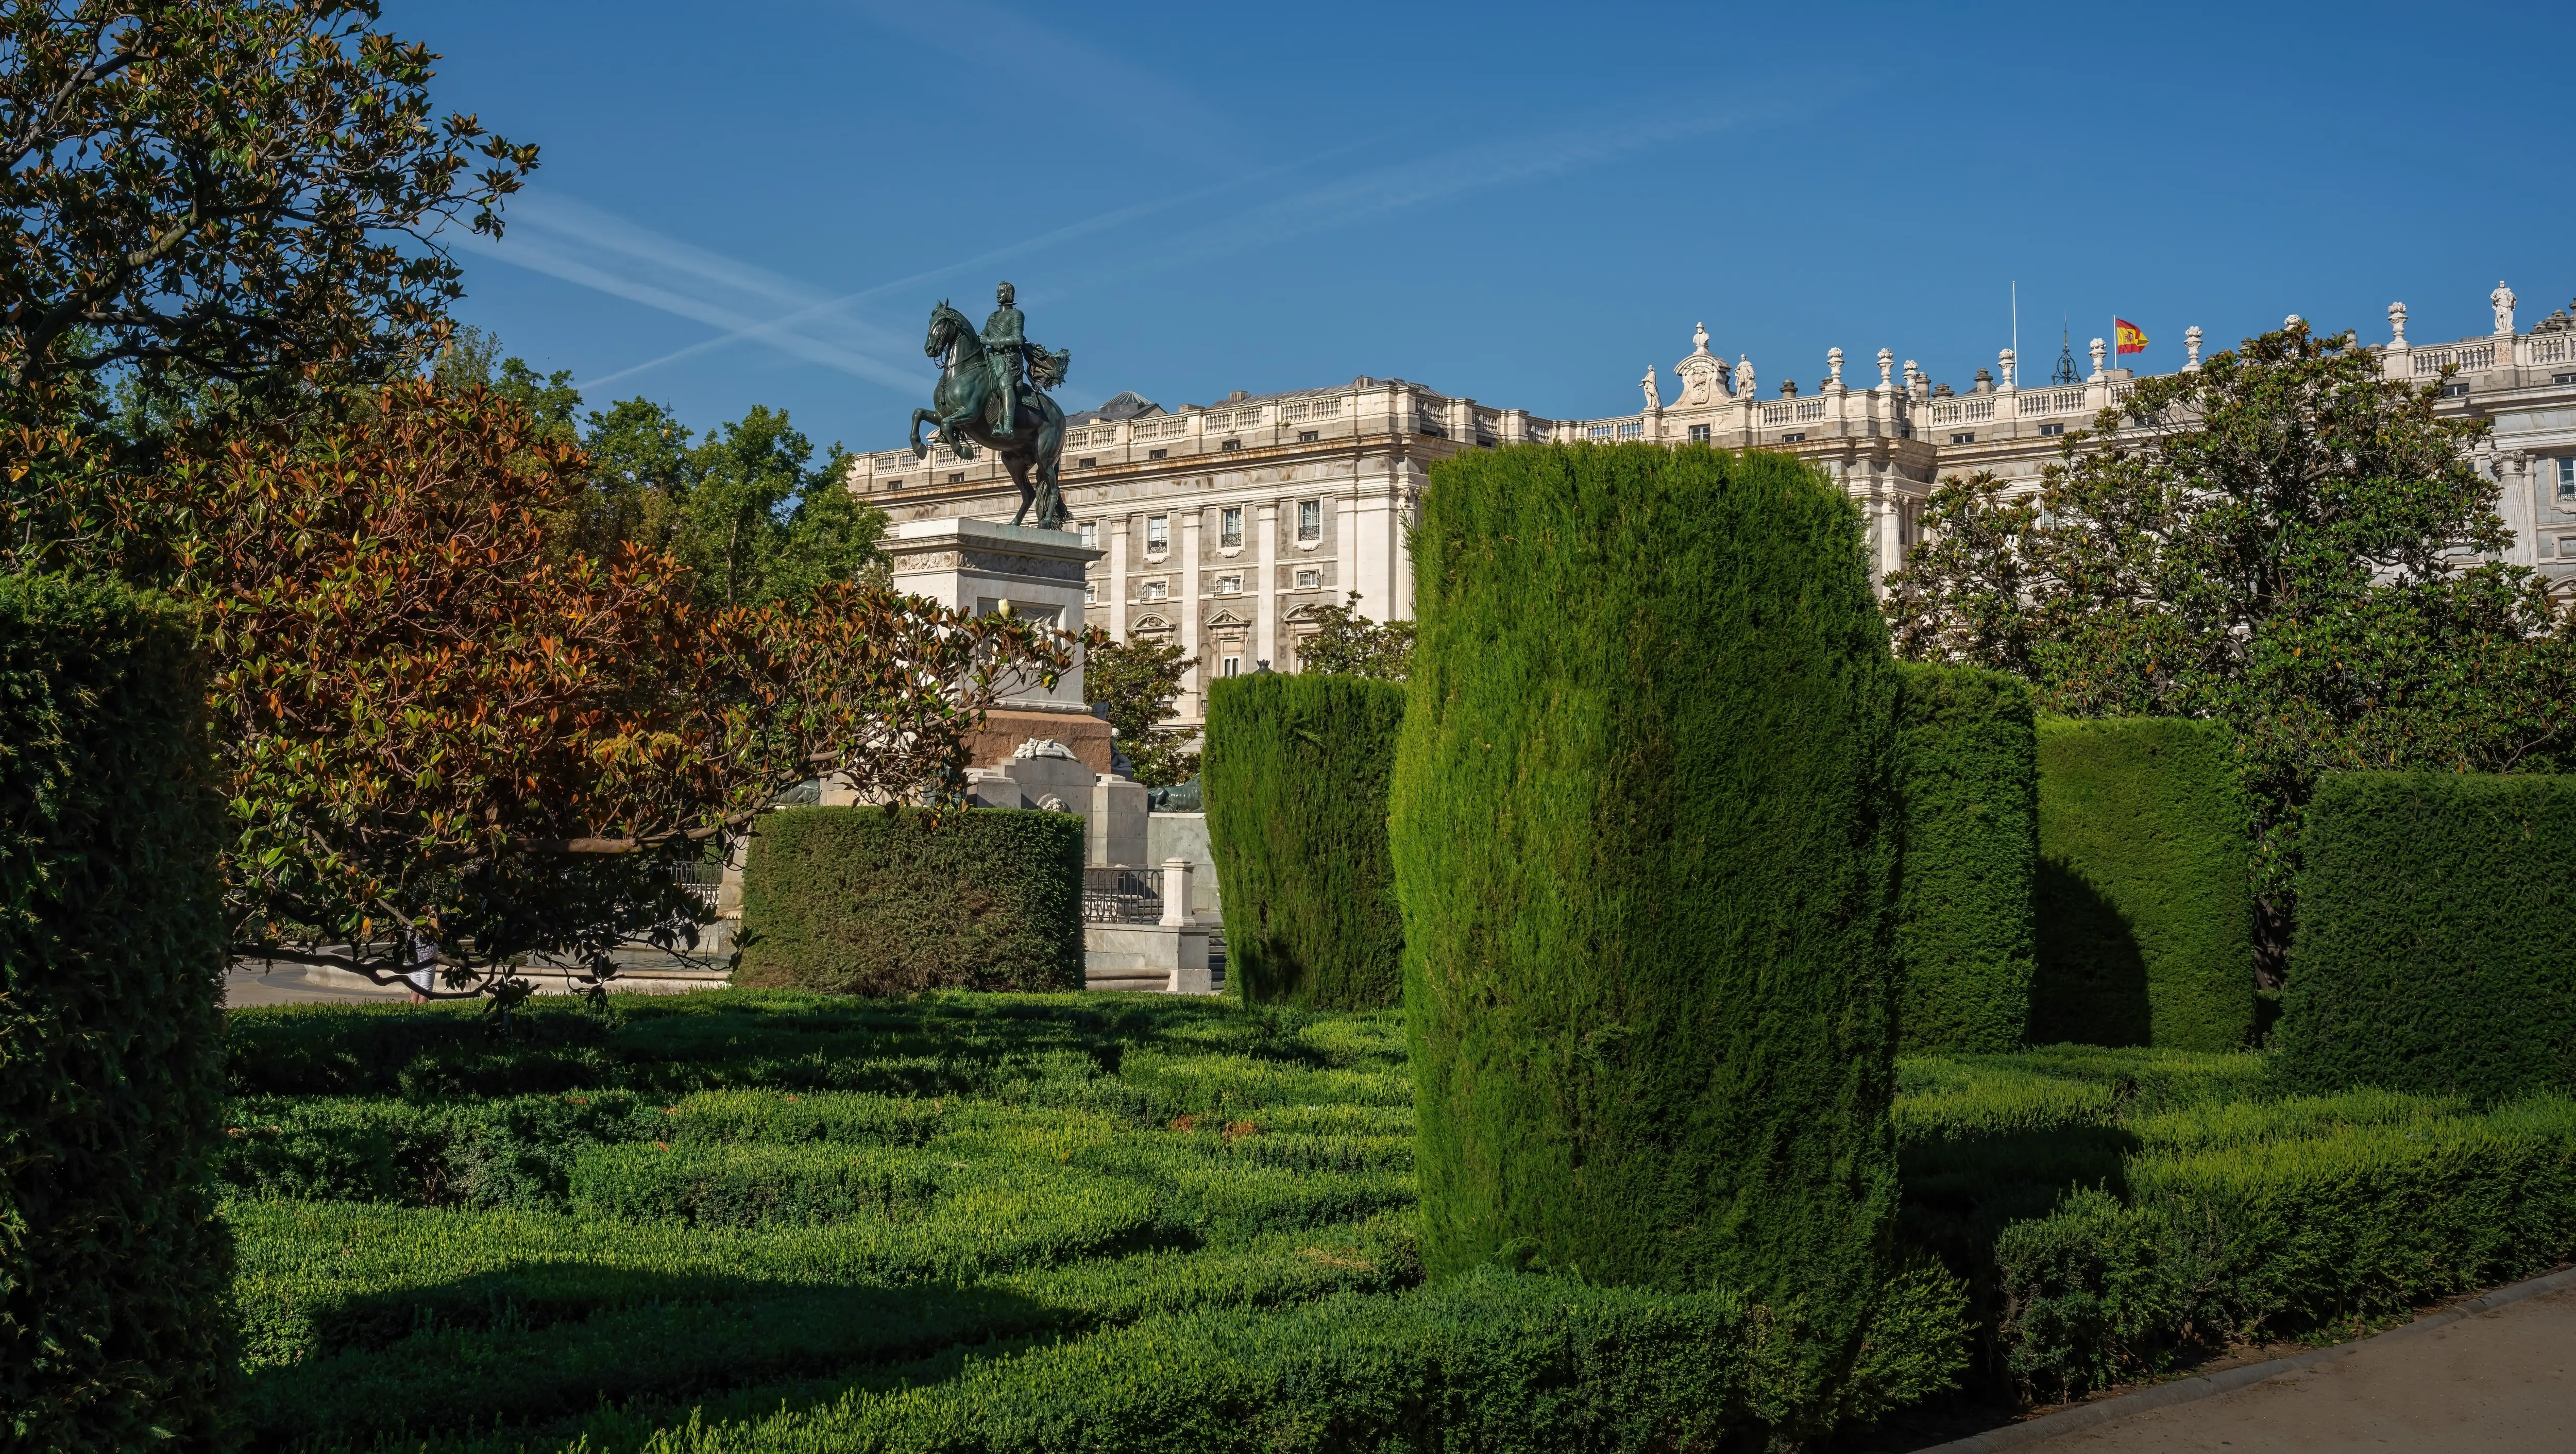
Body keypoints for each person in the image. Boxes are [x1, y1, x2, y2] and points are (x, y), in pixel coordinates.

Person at [983, 281, 1026, 436]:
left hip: (1010, 362)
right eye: (998, 291)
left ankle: (1008, 427)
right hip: (992, 360)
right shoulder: (992, 317)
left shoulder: (1016, 315)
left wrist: (991, 342)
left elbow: (1017, 339)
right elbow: (983, 336)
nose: (998, 294)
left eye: (1002, 291)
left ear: (1009, 294)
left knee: (1005, 383)